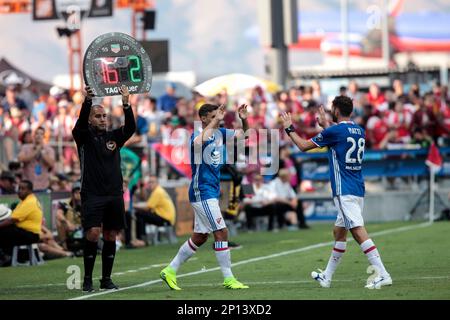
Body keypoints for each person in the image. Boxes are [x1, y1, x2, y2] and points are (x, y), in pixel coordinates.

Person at [281, 95, 392, 289]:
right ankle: (327, 276)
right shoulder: (359, 130)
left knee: (357, 230)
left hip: (344, 189)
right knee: (339, 232)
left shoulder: (334, 131)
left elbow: (303, 145)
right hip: (357, 186)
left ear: (336, 110)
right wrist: (326, 125)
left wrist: (289, 128)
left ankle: (382, 274)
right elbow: (338, 138)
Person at [160, 103, 249, 290]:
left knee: (200, 237)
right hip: (202, 191)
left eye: (220, 115)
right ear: (204, 118)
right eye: (215, 116)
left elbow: (243, 136)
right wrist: (216, 121)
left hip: (210, 191)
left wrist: (244, 119)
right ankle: (229, 278)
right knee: (222, 232)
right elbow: (198, 143)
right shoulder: (197, 135)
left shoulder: (220, 133)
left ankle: (170, 270)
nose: (220, 118)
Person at [72, 85, 136, 292]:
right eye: (98, 116)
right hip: (92, 194)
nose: (102, 119)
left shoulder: (114, 138)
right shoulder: (83, 137)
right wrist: (87, 102)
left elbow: (130, 128)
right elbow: (79, 125)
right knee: (92, 233)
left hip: (114, 194)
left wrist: (126, 104)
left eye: (104, 116)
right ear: (90, 119)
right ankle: (88, 278)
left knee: (110, 235)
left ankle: (106, 279)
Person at [0, 180, 43, 266]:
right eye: (19, 188)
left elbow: (12, 220)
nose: (19, 191)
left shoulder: (29, 202)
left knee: (4, 231)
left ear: (30, 191)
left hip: (30, 235)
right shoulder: (27, 201)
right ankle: (5, 256)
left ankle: (5, 257)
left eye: (23, 189)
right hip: (27, 233)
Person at [133, 176, 176, 240]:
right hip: (168, 218)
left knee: (139, 214)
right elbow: (149, 205)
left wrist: (133, 205)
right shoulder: (160, 190)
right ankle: (143, 237)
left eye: (152, 182)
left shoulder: (157, 192)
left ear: (157, 183)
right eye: (149, 182)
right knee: (142, 214)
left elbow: (147, 208)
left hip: (165, 219)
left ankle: (141, 238)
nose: (150, 184)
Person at [18, 127, 55, 191]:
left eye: (41, 134)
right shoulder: (25, 147)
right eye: (37, 133)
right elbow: (20, 159)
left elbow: (52, 164)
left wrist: (42, 152)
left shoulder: (49, 150)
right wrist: (35, 151)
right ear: (34, 135)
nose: (39, 136)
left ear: (44, 136)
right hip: (28, 186)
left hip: (43, 186)